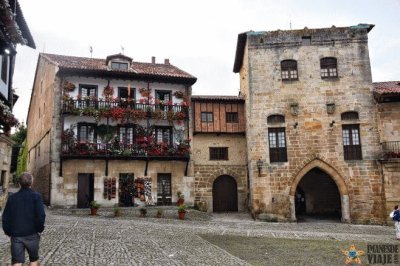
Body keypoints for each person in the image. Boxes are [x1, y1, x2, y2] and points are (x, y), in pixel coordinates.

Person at [2, 172, 46, 266]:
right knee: (34, 260)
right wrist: (39, 229)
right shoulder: (36, 196)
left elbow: (5, 217)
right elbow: (41, 216)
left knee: (17, 262)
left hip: (16, 235)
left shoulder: (12, 198)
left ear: (19, 183)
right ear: (31, 182)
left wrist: (8, 231)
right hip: (32, 234)